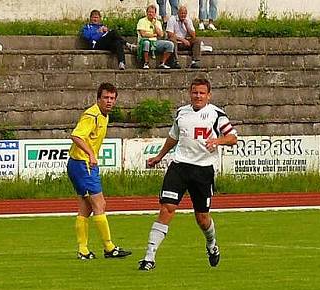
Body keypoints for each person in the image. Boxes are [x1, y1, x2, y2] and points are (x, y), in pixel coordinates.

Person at [138, 78, 238, 272]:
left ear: (209, 95)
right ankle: (149, 257)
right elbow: (173, 137)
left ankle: (212, 244)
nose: (197, 96)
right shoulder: (181, 113)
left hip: (203, 171)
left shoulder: (217, 115)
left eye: (202, 93)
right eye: (194, 92)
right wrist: (159, 156)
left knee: (202, 218)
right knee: (167, 208)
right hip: (179, 167)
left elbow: (233, 137)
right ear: (189, 93)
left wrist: (217, 141)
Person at [67, 83, 132, 261]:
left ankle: (83, 250)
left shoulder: (104, 115)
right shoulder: (92, 115)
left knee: (86, 207)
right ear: (98, 99)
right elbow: (76, 135)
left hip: (81, 164)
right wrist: (90, 154)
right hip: (83, 164)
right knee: (99, 204)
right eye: (106, 98)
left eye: (112, 98)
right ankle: (109, 247)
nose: (109, 101)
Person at [136, 4, 175, 70]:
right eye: (149, 12)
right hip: (144, 41)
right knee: (146, 43)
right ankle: (146, 63)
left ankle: (162, 63)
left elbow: (161, 34)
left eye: (152, 12)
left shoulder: (157, 22)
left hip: (155, 42)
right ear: (146, 12)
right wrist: (153, 35)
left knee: (170, 45)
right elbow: (143, 34)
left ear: (155, 13)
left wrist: (154, 24)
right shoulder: (141, 21)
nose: (150, 14)